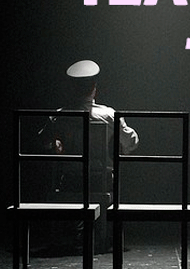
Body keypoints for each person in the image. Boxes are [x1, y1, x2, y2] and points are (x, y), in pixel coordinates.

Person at [35, 60, 139, 255]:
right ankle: (101, 234)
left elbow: (42, 142)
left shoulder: (59, 116)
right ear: (94, 88)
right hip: (100, 180)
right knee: (112, 174)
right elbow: (131, 142)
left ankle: (74, 233)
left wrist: (55, 145)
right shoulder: (108, 115)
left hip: (70, 180)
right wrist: (121, 145)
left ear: (72, 89)